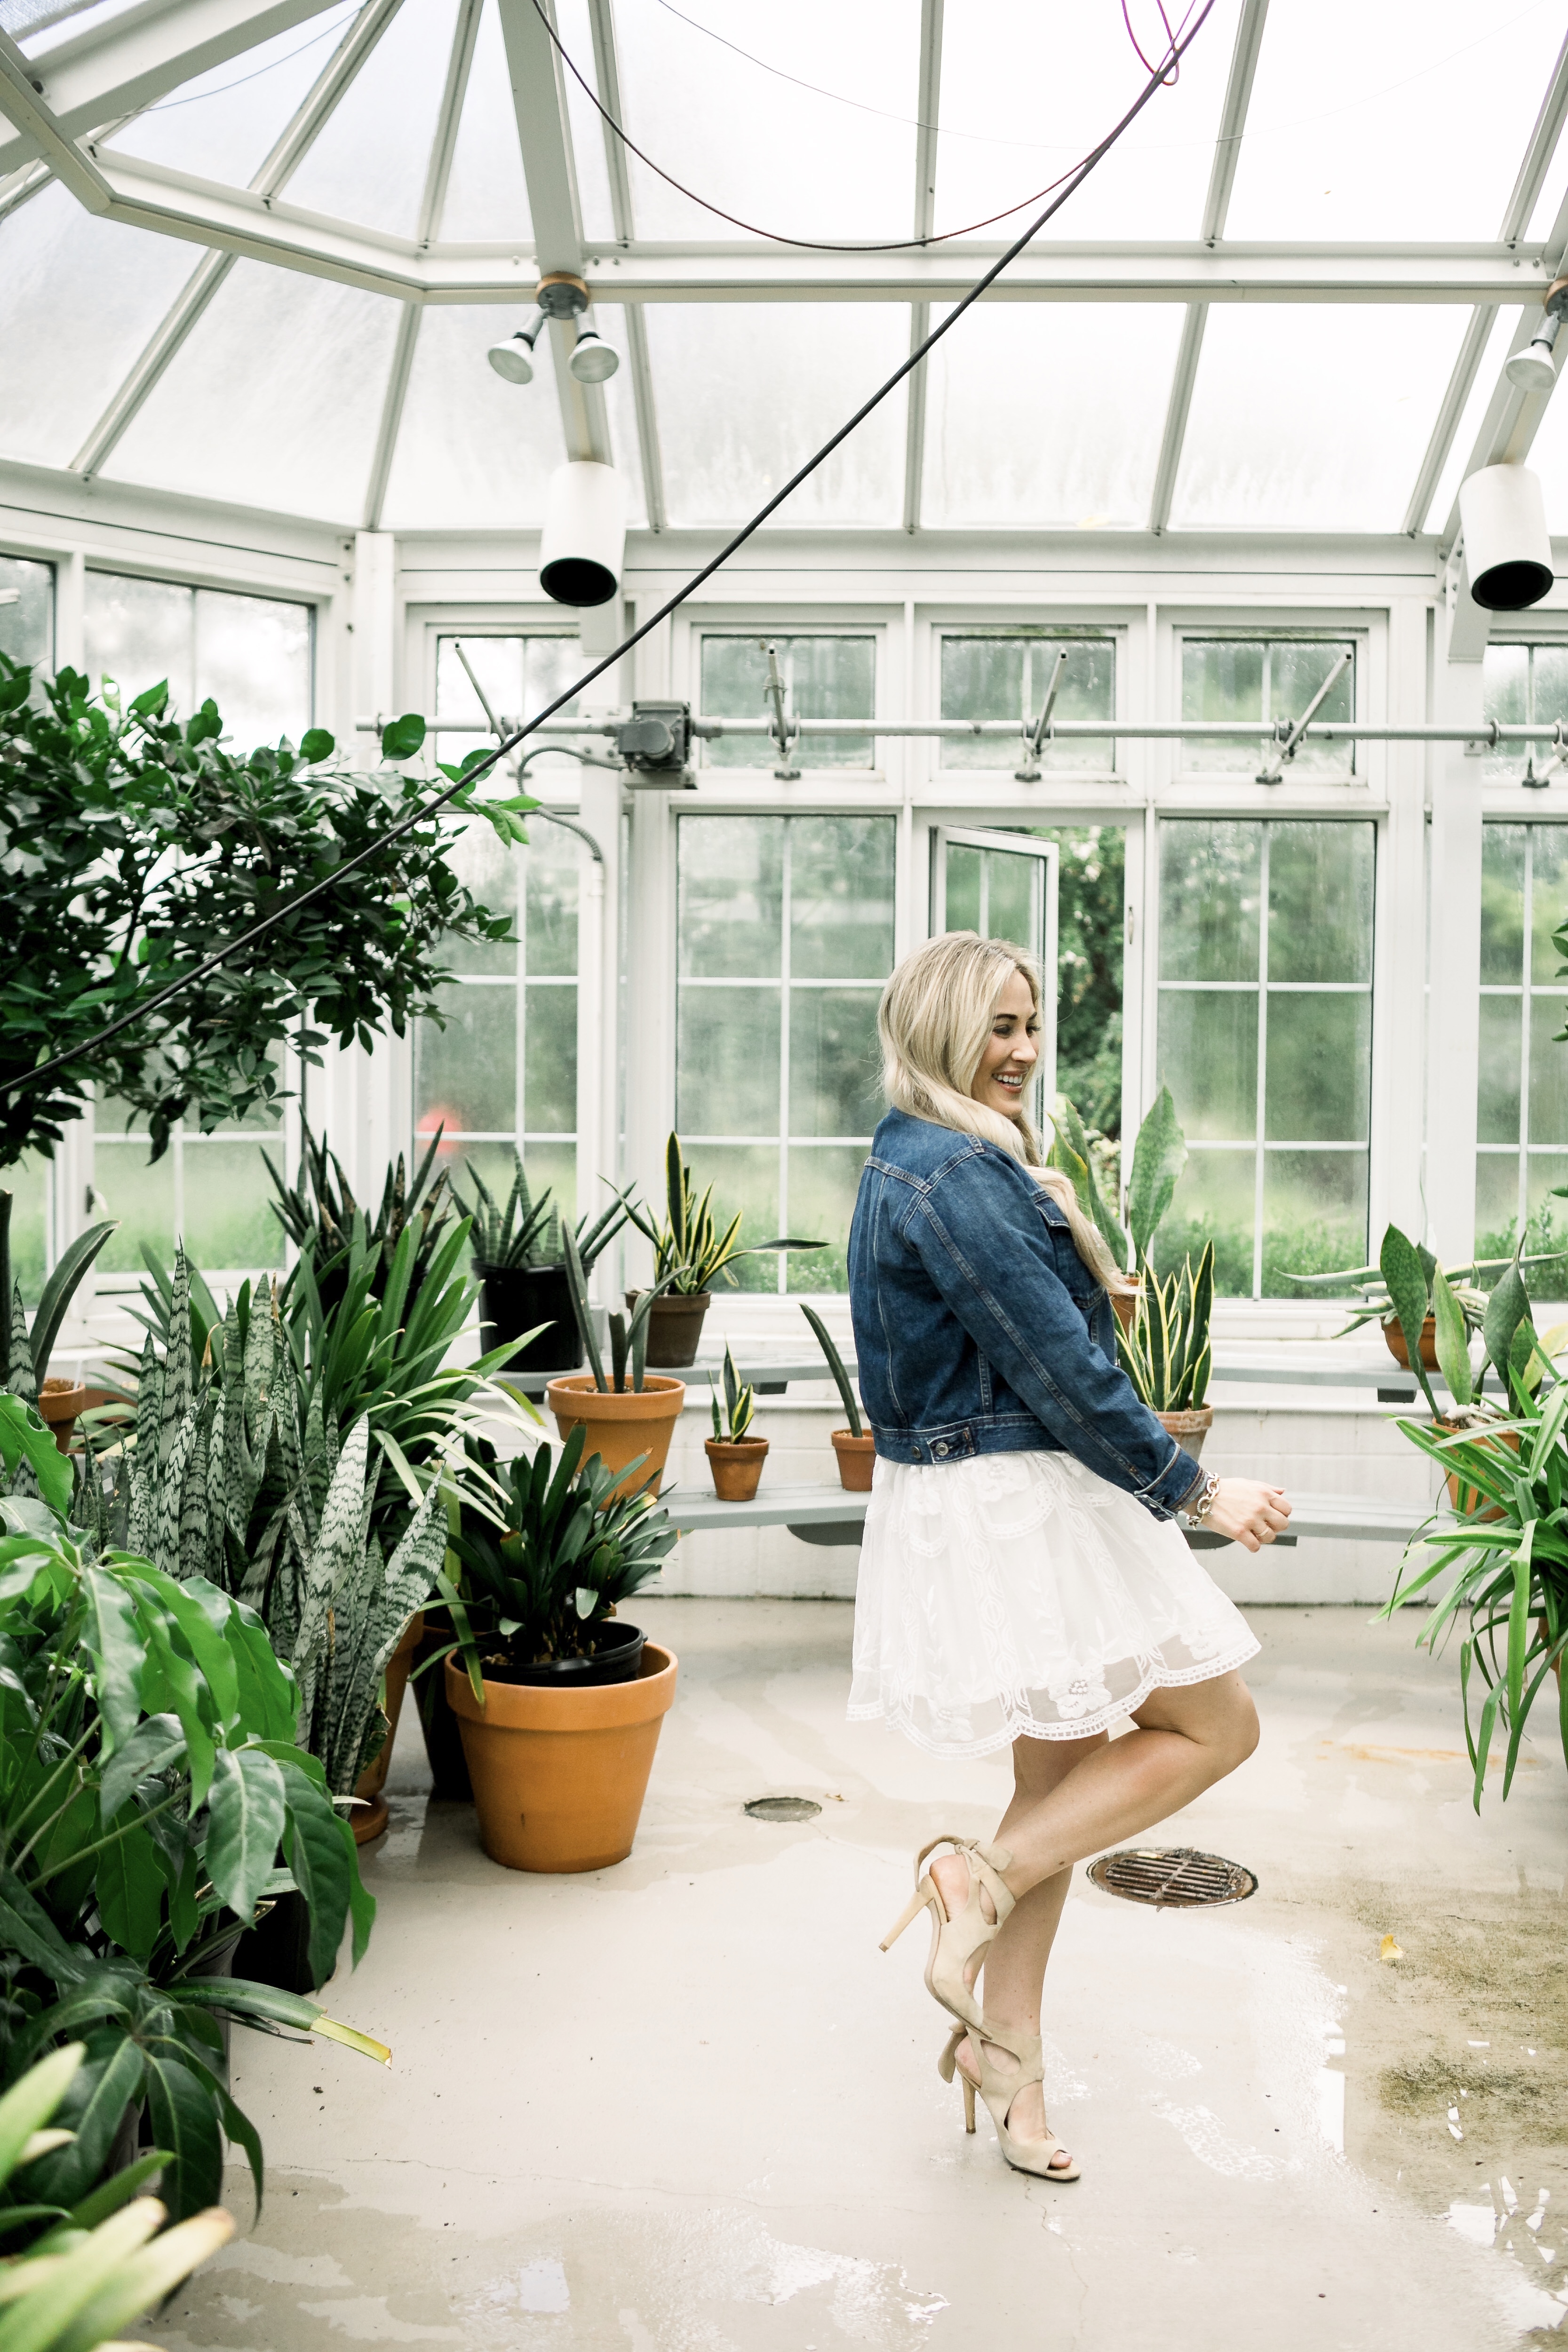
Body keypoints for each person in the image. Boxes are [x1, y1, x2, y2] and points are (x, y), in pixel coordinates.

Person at [847, 930, 1289, 2183]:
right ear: (938, 1028)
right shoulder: (957, 1175)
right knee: (1217, 1726)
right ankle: (969, 1879)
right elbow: (1059, 1367)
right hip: (1022, 1501)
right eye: (998, 1027)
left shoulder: (916, 1154)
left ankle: (1009, 2062)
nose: (1025, 1052)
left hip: (988, 1496)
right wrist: (1198, 1487)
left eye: (1031, 1024)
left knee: (1057, 1796)